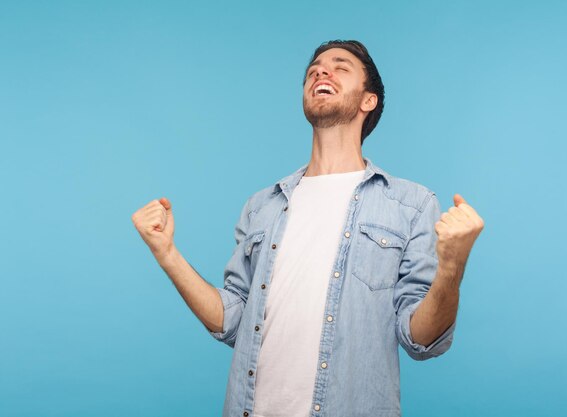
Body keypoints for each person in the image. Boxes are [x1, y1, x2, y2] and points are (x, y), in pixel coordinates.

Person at [131, 40, 484, 417]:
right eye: (314, 68)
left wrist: (452, 267)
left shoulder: (411, 205)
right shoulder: (262, 206)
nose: (320, 71)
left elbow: (421, 339)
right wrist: (166, 254)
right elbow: (231, 321)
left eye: (340, 66)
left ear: (368, 101)